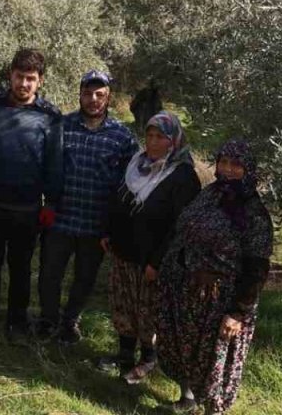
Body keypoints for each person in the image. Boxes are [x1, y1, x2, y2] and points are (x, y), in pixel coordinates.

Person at [157, 140, 273, 414]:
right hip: (188, 290)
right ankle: (187, 400)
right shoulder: (210, 194)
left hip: (221, 301)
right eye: (224, 162)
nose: (229, 170)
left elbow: (256, 268)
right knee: (186, 354)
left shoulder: (253, 214)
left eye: (236, 165)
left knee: (214, 365)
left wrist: (238, 312)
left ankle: (213, 410)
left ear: (248, 169)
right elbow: (183, 230)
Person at [36, 71, 138, 343]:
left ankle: (70, 322)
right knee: (50, 273)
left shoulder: (122, 136)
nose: (93, 100)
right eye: (87, 93)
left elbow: (130, 181)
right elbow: (47, 165)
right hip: (60, 218)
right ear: (80, 94)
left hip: (96, 223)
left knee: (84, 278)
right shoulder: (62, 126)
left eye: (99, 95)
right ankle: (48, 320)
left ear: (108, 98)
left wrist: (116, 224)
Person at [98, 111, 200, 382]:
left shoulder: (183, 176)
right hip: (124, 251)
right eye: (150, 136)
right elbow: (119, 199)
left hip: (151, 261)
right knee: (124, 306)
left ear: (174, 141)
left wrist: (158, 261)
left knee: (148, 312)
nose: (153, 143)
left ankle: (148, 360)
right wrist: (108, 231)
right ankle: (124, 355)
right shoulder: (137, 163)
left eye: (160, 137)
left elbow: (181, 228)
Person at [0, 48, 63, 341]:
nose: (24, 84)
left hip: (27, 208)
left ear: (40, 81)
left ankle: (17, 320)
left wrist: (52, 203)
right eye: (20, 77)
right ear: (9, 75)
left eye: (31, 79)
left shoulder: (50, 116)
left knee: (21, 267)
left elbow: (55, 161)